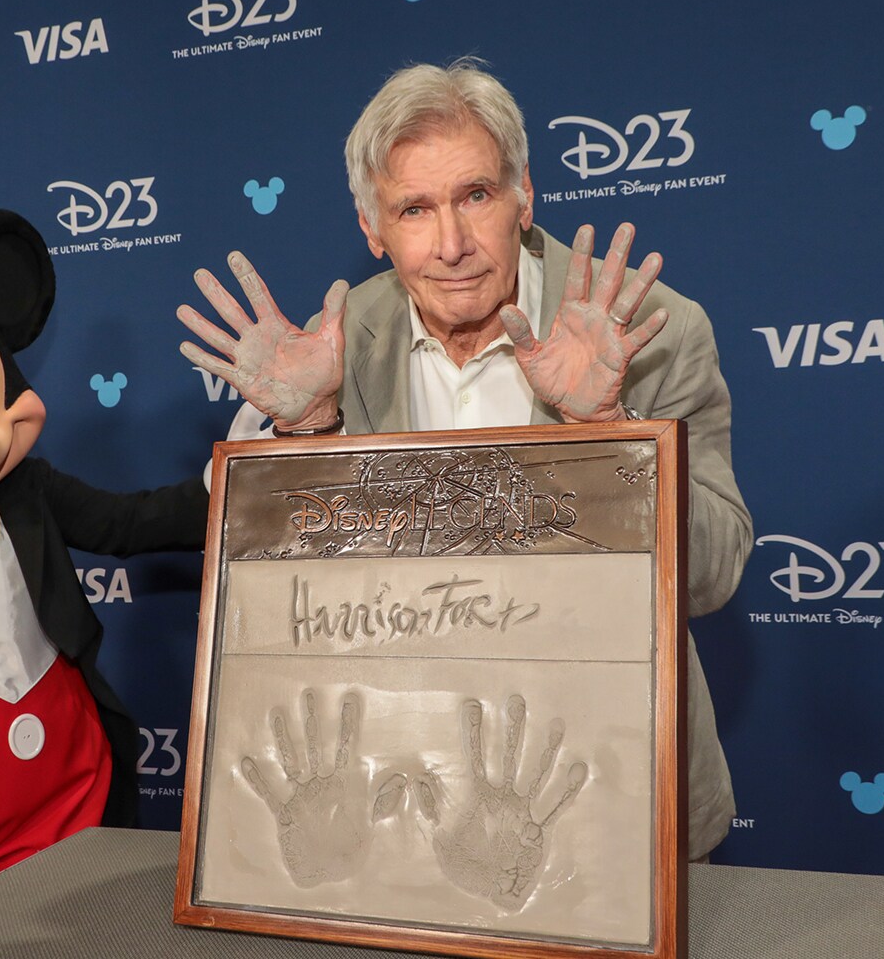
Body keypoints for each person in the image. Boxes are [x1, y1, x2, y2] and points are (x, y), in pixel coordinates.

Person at [177, 60, 749, 860]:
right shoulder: (337, 347)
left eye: (476, 196)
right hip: (418, 799)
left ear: (525, 196)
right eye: (414, 209)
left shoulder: (652, 331)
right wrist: (307, 430)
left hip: (620, 781)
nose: (451, 246)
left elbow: (714, 574)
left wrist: (614, 434)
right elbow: (278, 600)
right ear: (373, 229)